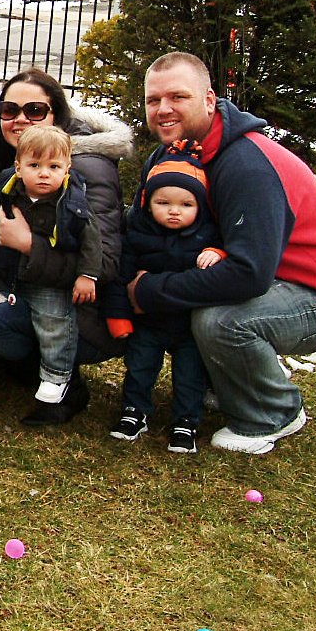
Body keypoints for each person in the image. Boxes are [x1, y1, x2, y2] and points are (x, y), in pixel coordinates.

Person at [128, 52, 316, 454]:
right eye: (153, 100)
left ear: (209, 100)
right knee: (192, 294)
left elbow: (248, 275)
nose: (163, 109)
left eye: (178, 97)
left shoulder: (247, 165)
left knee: (219, 321)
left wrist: (149, 291)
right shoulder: (170, 156)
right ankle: (225, 382)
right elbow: (142, 232)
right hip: (273, 277)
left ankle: (273, 412)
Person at [0, 68, 132, 426]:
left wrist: (28, 245)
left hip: (82, 307)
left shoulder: (85, 170)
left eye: (35, 111)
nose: (20, 119)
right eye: (10, 110)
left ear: (57, 114)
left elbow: (104, 261)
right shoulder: (9, 165)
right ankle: (26, 363)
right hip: (23, 283)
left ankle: (65, 383)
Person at [104, 140, 224, 454]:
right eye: (163, 202)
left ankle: (186, 421)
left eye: (186, 204)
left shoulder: (207, 235)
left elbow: (228, 263)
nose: (174, 211)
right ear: (147, 202)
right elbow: (121, 277)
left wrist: (217, 252)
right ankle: (134, 411)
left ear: (200, 207)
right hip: (148, 321)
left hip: (188, 325)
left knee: (190, 374)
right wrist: (118, 316)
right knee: (139, 366)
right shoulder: (137, 234)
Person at [0, 126, 102, 416]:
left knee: (55, 324)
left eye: (53, 167)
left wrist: (87, 275)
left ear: (67, 168)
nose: (44, 174)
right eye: (35, 166)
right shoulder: (9, 189)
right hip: (10, 276)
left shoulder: (72, 202)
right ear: (19, 167)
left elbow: (91, 241)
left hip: (50, 282)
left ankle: (57, 376)